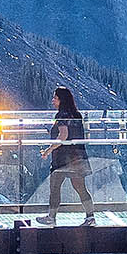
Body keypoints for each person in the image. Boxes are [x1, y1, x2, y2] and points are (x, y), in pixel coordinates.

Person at [44, 86, 96, 224]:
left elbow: (63, 135)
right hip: (77, 156)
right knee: (80, 187)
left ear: (61, 100)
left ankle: (51, 217)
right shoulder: (76, 114)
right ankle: (90, 217)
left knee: (55, 187)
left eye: (55, 98)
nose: (53, 101)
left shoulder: (61, 115)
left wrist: (48, 150)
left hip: (63, 158)